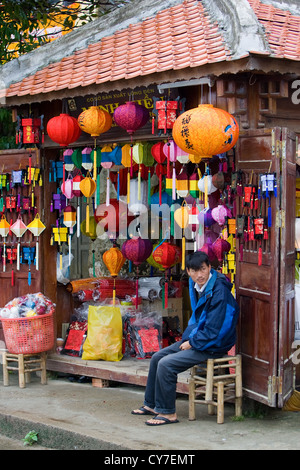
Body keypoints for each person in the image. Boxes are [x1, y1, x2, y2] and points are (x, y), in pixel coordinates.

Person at [131, 250, 240, 426]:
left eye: (203, 269)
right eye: (195, 271)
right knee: (157, 358)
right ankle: (151, 405)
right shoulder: (197, 286)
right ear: (188, 272)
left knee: (167, 364)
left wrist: (193, 342)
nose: (200, 275)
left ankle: (168, 413)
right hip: (199, 340)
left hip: (213, 345)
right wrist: (190, 340)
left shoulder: (219, 292)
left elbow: (216, 329)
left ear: (209, 268)